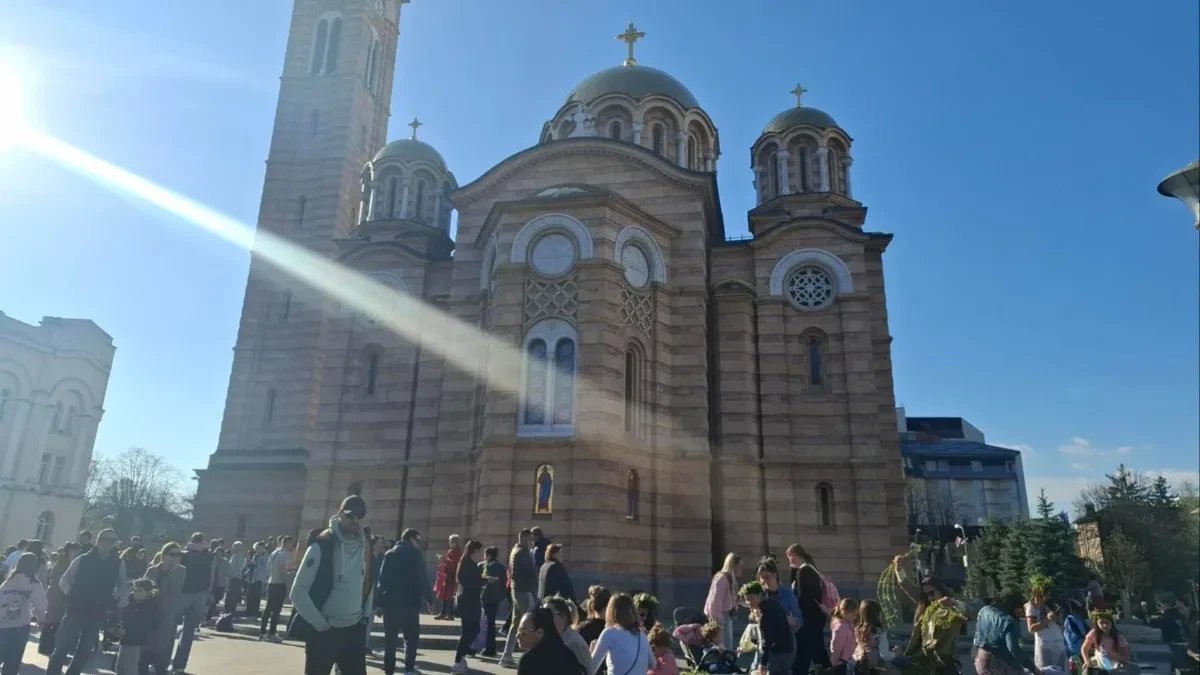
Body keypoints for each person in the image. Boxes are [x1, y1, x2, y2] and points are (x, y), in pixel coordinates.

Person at [290, 495, 376, 675]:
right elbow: (298, 591)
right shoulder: (321, 545)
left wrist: (364, 619)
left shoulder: (366, 547)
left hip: (354, 631)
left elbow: (368, 583)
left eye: (360, 515)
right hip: (324, 632)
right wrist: (321, 625)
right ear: (340, 514)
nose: (355, 519)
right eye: (350, 515)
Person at [46, 528, 128, 675]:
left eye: (112, 540)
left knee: (84, 651)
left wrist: (118, 599)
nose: (109, 543)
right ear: (98, 541)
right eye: (106, 540)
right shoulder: (83, 559)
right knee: (62, 648)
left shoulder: (118, 563)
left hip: (97, 612)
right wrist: (73, 595)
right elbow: (64, 580)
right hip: (75, 609)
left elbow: (123, 585)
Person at [376, 528, 432, 675]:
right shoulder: (415, 554)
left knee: (390, 641)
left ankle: (389, 671)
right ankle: (409, 669)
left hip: (390, 604)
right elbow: (422, 578)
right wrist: (430, 599)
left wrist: (379, 603)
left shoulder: (389, 554)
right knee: (411, 639)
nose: (418, 543)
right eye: (417, 540)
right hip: (410, 604)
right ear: (411, 539)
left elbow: (382, 581)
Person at [172, 532, 215, 672]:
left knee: (170, 628)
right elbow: (211, 577)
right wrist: (207, 593)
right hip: (200, 594)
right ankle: (180, 665)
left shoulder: (183, 554)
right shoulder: (209, 556)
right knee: (188, 632)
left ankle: (163, 661)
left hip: (182, 593)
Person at [786, 543, 831, 675]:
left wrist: (796, 614)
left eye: (789, 556)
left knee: (804, 650)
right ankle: (829, 670)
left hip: (808, 618)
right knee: (815, 650)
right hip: (814, 618)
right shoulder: (809, 568)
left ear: (794, 555)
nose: (789, 560)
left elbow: (803, 596)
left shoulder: (804, 570)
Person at [0, 553, 47, 675]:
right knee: (13, 662)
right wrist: (41, 620)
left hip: (2, 625)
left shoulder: (8, 581)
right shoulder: (34, 582)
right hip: (20, 626)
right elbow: (41, 605)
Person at [974, 592, 1041, 675]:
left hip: (981, 660)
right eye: (1020, 610)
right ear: (1015, 608)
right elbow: (1013, 649)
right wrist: (1033, 668)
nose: (1022, 614)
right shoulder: (1010, 622)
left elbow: (977, 635)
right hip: (1000, 663)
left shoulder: (984, 610)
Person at [145, 542, 186, 675]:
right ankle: (144, 665)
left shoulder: (181, 570)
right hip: (150, 610)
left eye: (178, 554)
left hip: (167, 611)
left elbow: (175, 590)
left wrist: (172, 572)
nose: (175, 557)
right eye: (172, 554)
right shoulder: (152, 569)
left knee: (164, 642)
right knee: (147, 640)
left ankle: (160, 668)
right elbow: (143, 588)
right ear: (163, 555)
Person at [590, 593, 656, 675]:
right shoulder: (641, 634)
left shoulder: (609, 633)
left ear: (611, 611)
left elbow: (591, 668)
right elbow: (653, 664)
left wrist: (592, 651)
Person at [500, 528, 538, 667]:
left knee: (515, 624)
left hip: (516, 589)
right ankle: (532, 658)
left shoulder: (514, 550)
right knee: (531, 622)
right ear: (525, 538)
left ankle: (506, 656)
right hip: (524, 590)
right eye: (530, 539)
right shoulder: (523, 552)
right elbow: (531, 572)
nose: (532, 542)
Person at [739, 581, 794, 675]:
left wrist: (763, 663)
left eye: (751, 598)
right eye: (746, 599)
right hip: (788, 650)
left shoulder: (764, 612)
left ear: (760, 594)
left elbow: (767, 639)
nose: (748, 602)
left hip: (775, 654)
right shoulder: (774, 604)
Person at [514, 607, 584, 675]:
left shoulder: (529, 661)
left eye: (523, 631)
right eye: (518, 630)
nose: (517, 635)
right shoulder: (568, 655)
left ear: (539, 632)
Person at [40, 542, 80, 656]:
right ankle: (48, 646)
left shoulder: (66, 561)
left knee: (55, 621)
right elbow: (60, 580)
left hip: (59, 595)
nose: (76, 553)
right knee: (53, 621)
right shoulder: (64, 562)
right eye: (74, 551)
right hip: (57, 595)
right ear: (69, 551)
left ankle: (49, 646)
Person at [451, 540, 485, 674]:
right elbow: (471, 584)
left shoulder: (468, 563)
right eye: (481, 552)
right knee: (471, 631)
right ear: (474, 552)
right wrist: (482, 580)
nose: (482, 555)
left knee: (469, 631)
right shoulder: (469, 566)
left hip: (468, 603)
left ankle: (460, 659)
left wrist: (484, 580)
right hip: (469, 604)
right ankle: (458, 661)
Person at [854, 599, 912, 672]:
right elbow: (884, 655)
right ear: (876, 616)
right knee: (909, 660)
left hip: (863, 667)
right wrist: (896, 653)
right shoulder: (879, 632)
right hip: (879, 669)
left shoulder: (858, 631)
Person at [116, 578, 158, 675]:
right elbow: (123, 618)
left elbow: (143, 625)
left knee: (130, 667)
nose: (136, 593)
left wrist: (127, 631)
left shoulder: (149, 606)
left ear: (148, 592)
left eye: (140, 591)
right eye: (135, 590)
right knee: (120, 666)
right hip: (125, 639)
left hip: (137, 641)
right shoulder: (130, 601)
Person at [257, 535, 294, 641]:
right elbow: (284, 571)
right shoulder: (285, 554)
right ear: (287, 543)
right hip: (279, 584)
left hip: (271, 582)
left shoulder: (274, 553)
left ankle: (262, 632)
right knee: (276, 610)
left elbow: (269, 569)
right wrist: (289, 586)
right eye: (291, 544)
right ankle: (272, 633)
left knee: (268, 608)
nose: (292, 546)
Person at [705, 553, 743, 652]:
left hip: (726, 617)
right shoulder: (722, 578)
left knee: (727, 647)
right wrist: (718, 623)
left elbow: (728, 599)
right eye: (740, 566)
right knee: (723, 649)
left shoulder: (729, 579)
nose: (742, 569)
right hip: (720, 618)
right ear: (733, 566)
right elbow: (714, 602)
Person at [1083, 610, 1140, 675]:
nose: (1104, 625)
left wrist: (1111, 657)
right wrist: (1086, 661)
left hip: (1116, 663)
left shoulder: (1118, 636)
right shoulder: (1094, 633)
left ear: (1112, 623)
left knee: (1135, 669)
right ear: (1097, 623)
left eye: (1107, 622)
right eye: (1101, 623)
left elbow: (1126, 657)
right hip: (1099, 661)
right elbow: (1084, 648)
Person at [543, 596, 590, 673]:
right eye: (543, 613)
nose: (544, 618)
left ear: (562, 616)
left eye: (548, 613)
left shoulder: (574, 644)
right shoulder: (553, 640)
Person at [1026, 582, 1065, 670]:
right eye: (1045, 593)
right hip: (1045, 643)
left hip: (1058, 641)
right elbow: (1031, 629)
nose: (1048, 596)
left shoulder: (1052, 604)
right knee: (1046, 670)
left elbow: (1060, 622)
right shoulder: (1032, 606)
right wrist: (1047, 619)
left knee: (1061, 670)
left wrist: (1058, 617)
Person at [481, 545, 507, 658]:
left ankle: (490, 648)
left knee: (490, 623)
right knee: (484, 623)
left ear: (489, 555)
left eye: (485, 554)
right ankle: (481, 646)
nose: (484, 556)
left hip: (492, 599)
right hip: (483, 598)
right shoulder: (482, 566)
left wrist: (499, 596)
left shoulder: (499, 568)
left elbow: (503, 584)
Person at [433, 534, 463, 620]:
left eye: (451, 542)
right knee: (444, 595)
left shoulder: (458, 552)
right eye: (450, 542)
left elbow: (454, 564)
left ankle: (450, 614)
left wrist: (444, 559)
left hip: (453, 576)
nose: (450, 543)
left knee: (450, 596)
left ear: (456, 542)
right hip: (447, 576)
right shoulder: (450, 551)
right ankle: (443, 613)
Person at [829, 597, 858, 670]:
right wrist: (834, 666)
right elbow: (836, 649)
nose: (855, 616)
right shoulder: (840, 628)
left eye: (856, 614)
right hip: (843, 665)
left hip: (850, 663)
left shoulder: (849, 625)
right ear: (845, 612)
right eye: (853, 614)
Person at [244, 541, 267, 617]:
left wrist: (255, 565)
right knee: (249, 596)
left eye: (259, 548)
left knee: (256, 597)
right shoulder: (255, 556)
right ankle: (249, 612)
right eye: (256, 548)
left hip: (258, 579)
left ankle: (254, 612)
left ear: (263, 549)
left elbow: (265, 568)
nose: (257, 550)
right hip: (251, 578)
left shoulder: (265, 557)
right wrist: (249, 564)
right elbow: (252, 565)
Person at [207, 547, 228, 623]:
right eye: (218, 553)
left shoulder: (225, 562)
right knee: (211, 601)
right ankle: (208, 617)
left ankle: (210, 616)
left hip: (220, 584)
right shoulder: (212, 560)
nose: (219, 555)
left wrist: (226, 585)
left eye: (221, 553)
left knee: (216, 600)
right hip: (212, 584)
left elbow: (226, 573)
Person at [224, 541, 246, 615]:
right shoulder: (234, 555)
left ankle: (230, 613)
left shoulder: (239, 556)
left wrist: (232, 575)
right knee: (230, 597)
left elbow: (239, 568)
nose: (232, 548)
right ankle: (228, 612)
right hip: (232, 579)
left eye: (234, 546)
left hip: (235, 579)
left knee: (231, 598)